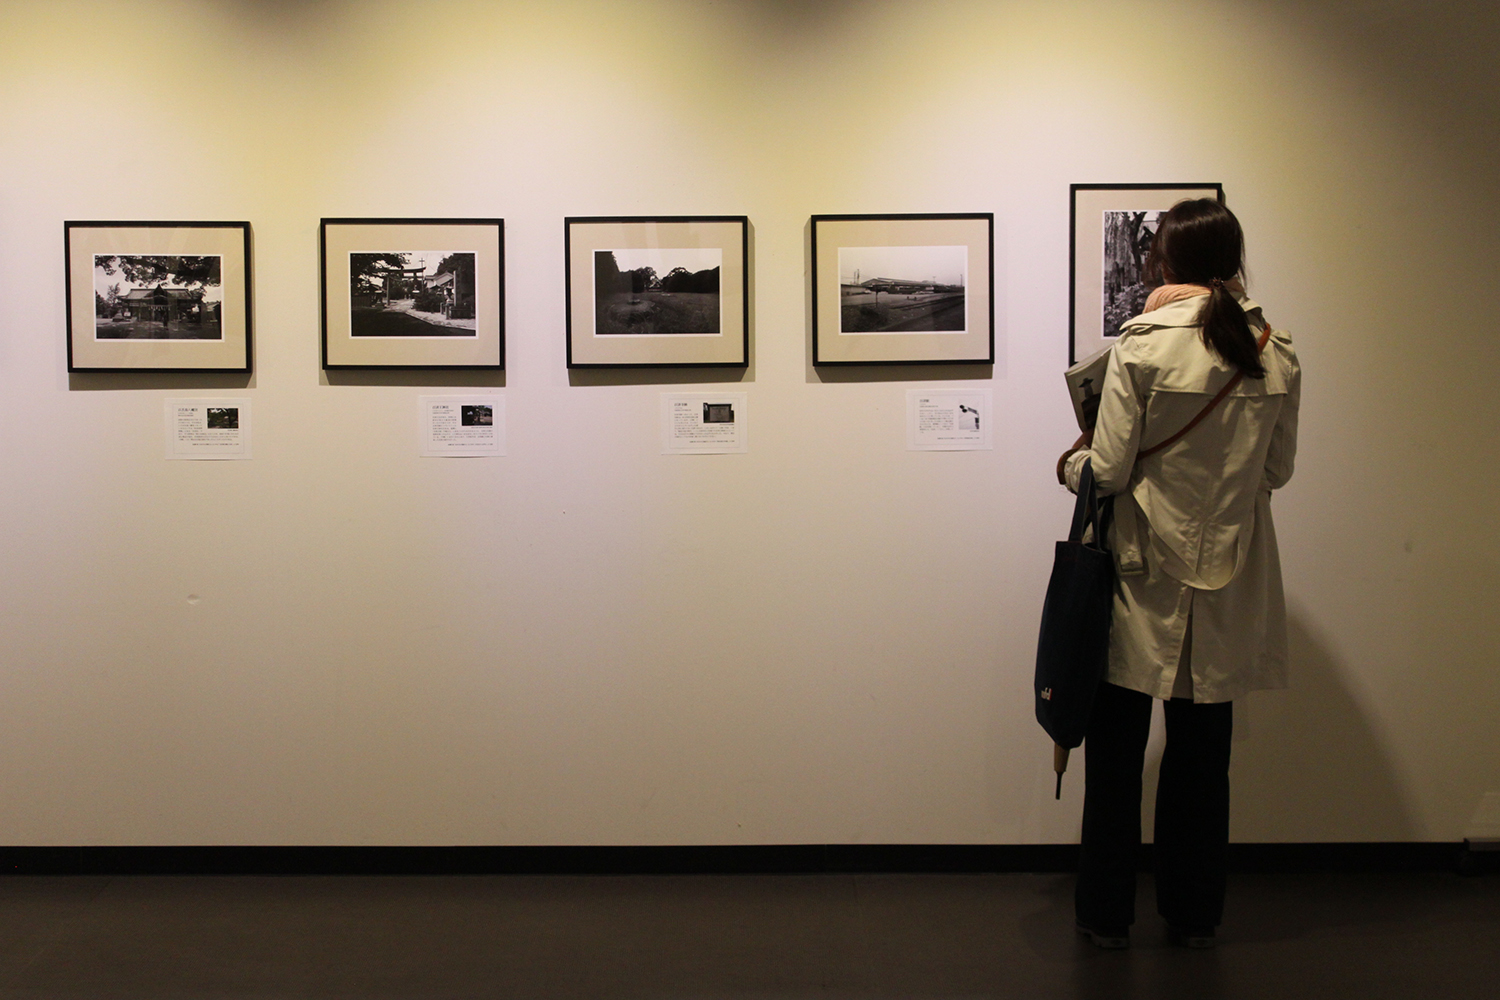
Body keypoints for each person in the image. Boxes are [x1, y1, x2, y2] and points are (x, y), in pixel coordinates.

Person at [1057, 199, 1300, 949]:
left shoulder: (1141, 346)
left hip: (1137, 578)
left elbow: (1108, 469)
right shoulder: (1273, 350)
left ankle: (1105, 919)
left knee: (1117, 761)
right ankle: (1193, 915)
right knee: (1203, 767)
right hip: (1227, 580)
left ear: (1165, 262)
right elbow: (1279, 471)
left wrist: (1070, 463)